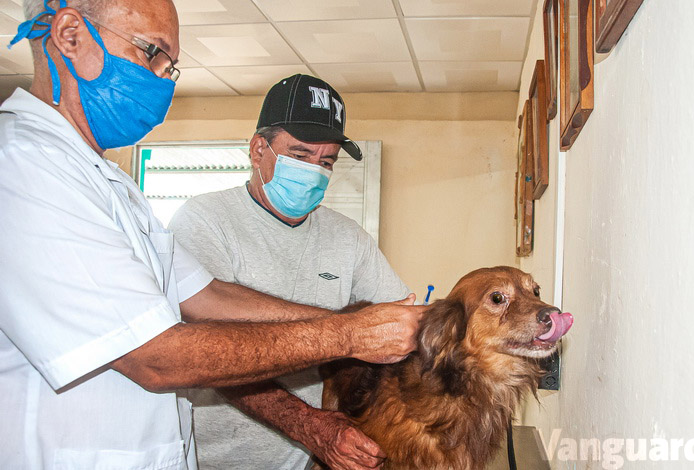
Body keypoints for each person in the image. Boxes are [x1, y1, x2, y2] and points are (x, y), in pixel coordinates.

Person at [0, 1, 424, 469]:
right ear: (69, 34)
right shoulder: (23, 167)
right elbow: (156, 357)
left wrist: (360, 325)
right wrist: (344, 335)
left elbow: (206, 297)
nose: (163, 79)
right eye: (152, 53)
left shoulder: (110, 184)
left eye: (170, 65)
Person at [169, 74, 411, 470]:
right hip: (211, 459)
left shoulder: (348, 238)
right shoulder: (205, 220)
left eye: (326, 161)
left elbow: (394, 326)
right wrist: (309, 425)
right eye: (300, 156)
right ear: (258, 149)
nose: (315, 171)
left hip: (310, 459)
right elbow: (209, 353)